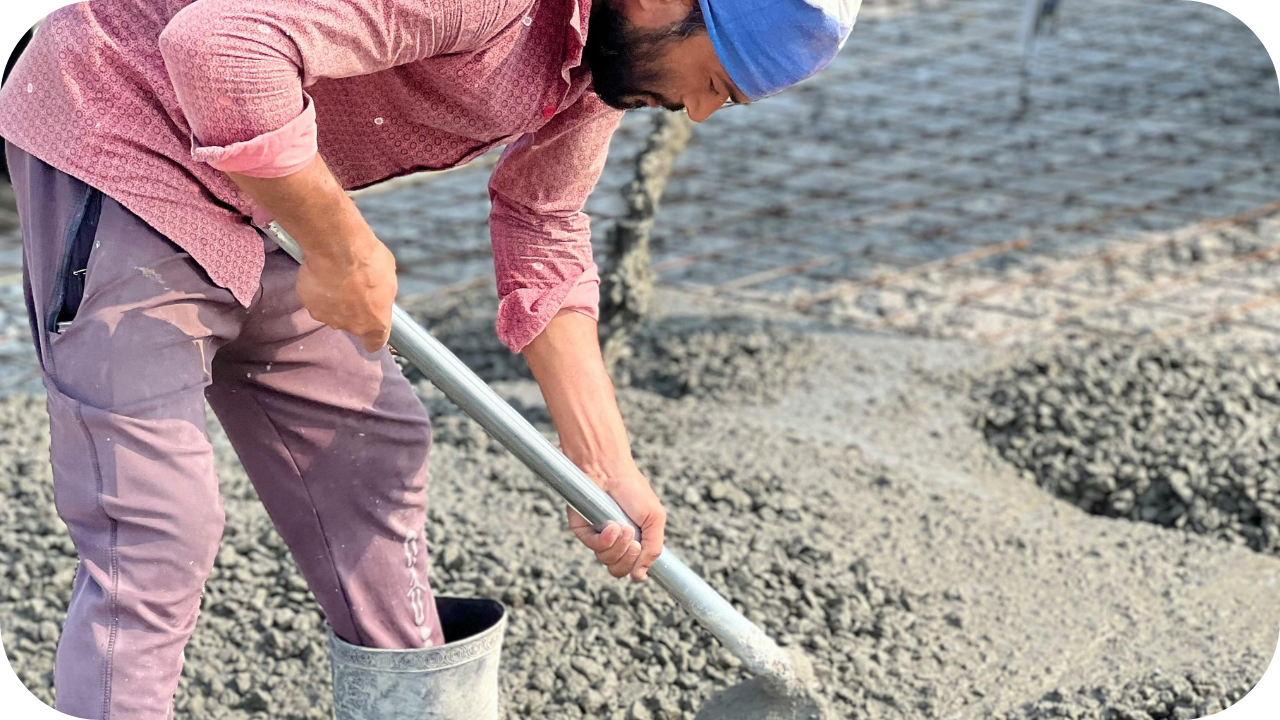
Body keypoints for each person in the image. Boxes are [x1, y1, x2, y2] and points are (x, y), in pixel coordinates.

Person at [0, 0, 861, 717]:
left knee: (373, 447)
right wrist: (340, 246)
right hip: (122, 127)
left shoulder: (600, 72)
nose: (702, 112)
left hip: (247, 188)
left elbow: (544, 224)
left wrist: (607, 466)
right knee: (155, 526)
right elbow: (218, 48)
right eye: (714, 80)